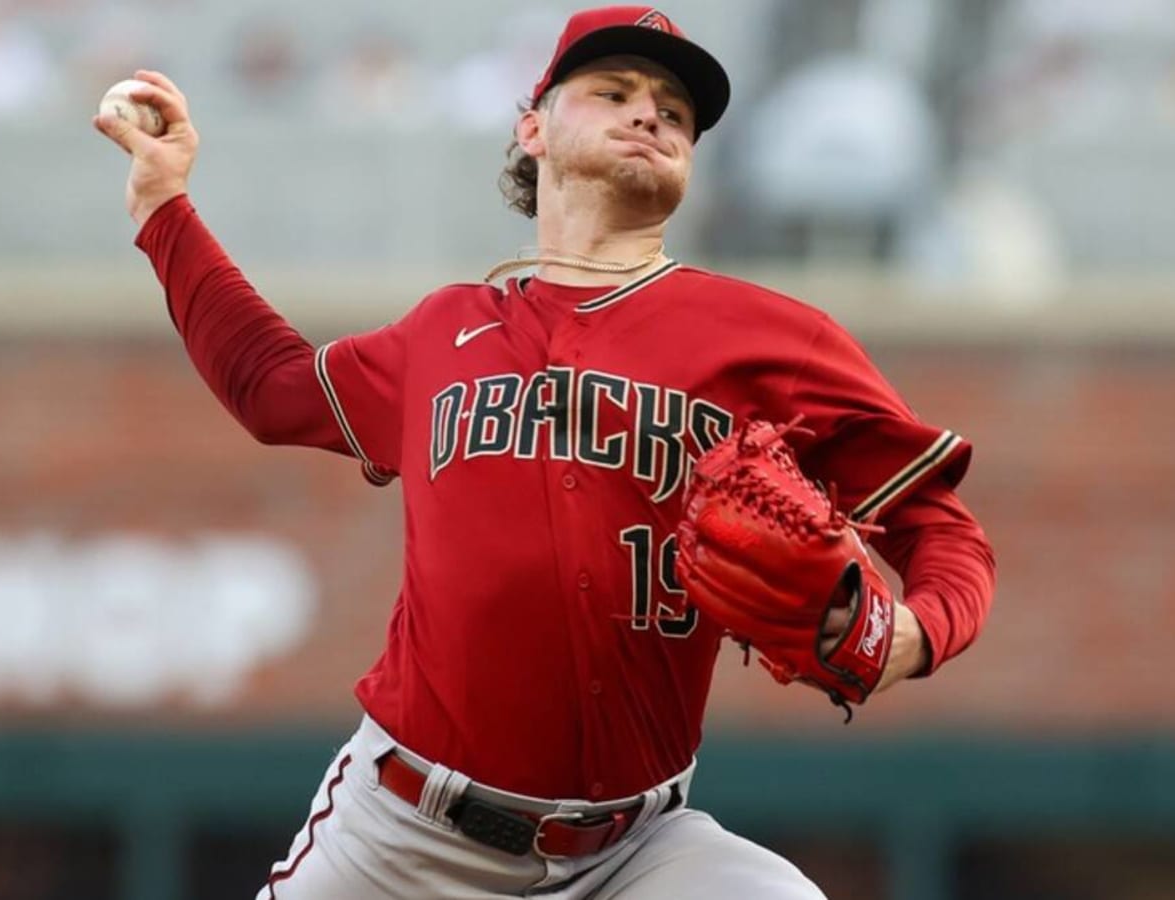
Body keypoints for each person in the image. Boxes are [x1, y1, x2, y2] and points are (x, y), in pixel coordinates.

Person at [93, 6, 994, 898]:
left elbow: (941, 530)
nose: (650, 114)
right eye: (614, 92)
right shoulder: (443, 331)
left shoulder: (771, 339)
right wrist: (164, 207)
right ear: (533, 127)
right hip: (405, 840)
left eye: (675, 112)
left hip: (638, 851)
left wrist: (911, 633)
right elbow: (271, 386)